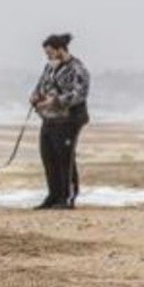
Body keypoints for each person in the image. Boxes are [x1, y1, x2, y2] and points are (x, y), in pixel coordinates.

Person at [30, 33, 91, 210]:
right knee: (48, 156)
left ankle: (68, 197)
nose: (48, 56)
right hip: (49, 119)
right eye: (46, 53)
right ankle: (53, 195)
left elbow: (80, 94)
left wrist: (56, 101)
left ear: (61, 50)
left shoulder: (77, 68)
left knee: (65, 158)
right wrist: (35, 97)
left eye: (50, 52)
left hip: (70, 119)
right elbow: (40, 86)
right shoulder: (48, 68)